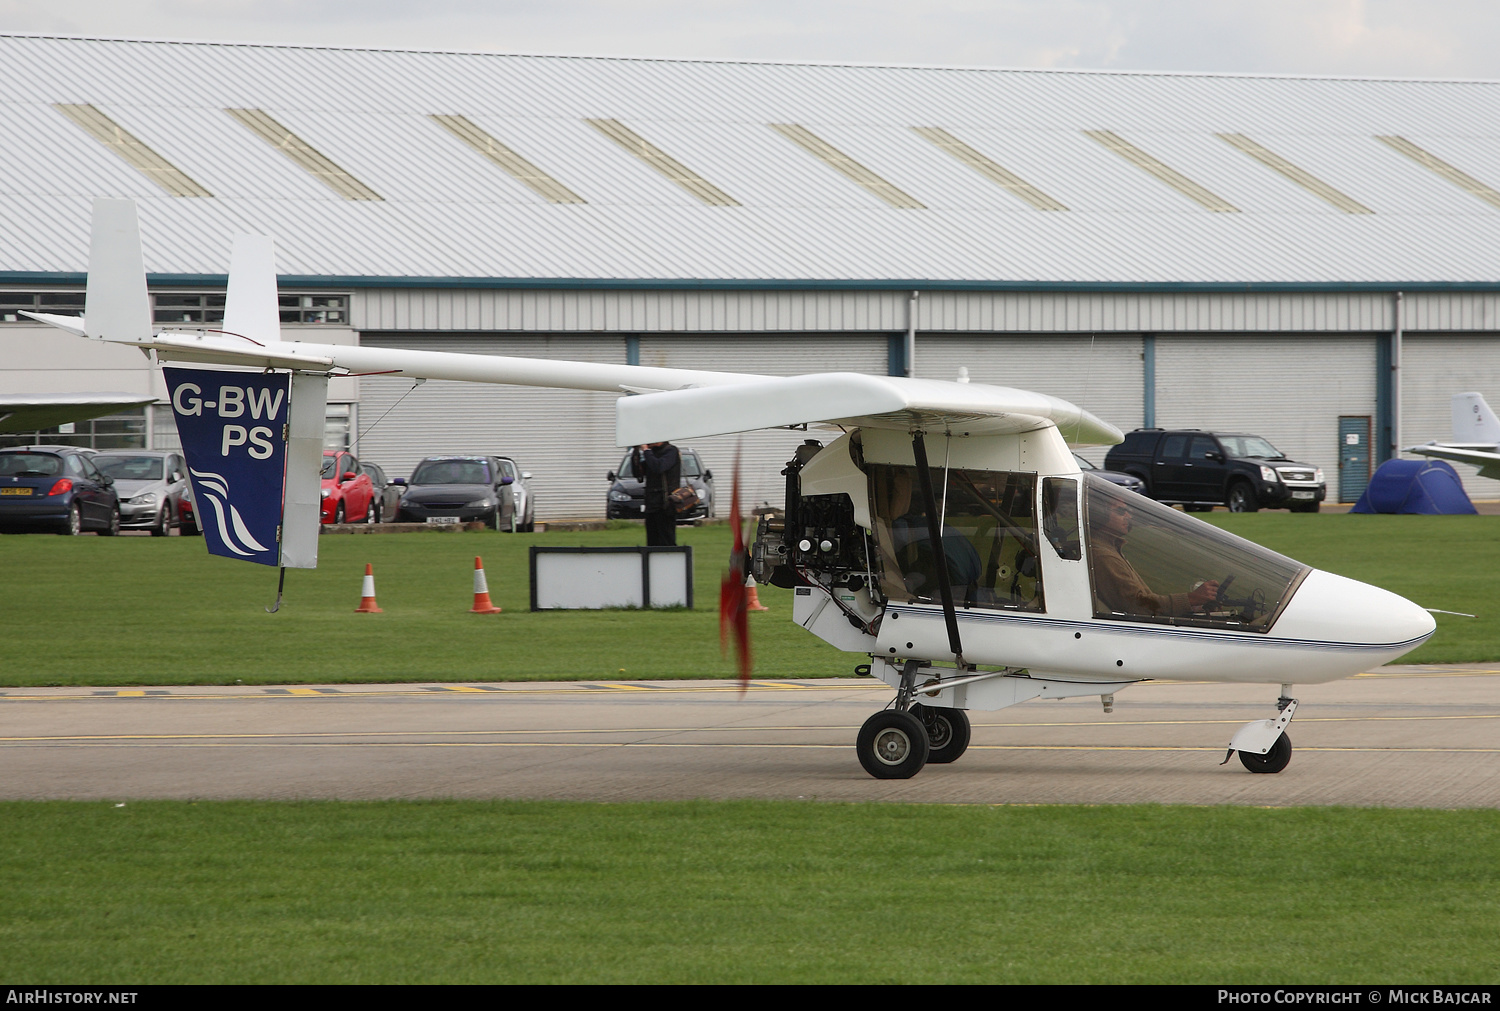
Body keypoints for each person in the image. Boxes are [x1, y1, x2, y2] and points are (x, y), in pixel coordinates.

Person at [1092, 494, 1219, 617]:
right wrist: (1190, 599)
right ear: (1099, 515)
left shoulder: (1110, 548)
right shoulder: (1103, 555)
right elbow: (1138, 606)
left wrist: (1194, 605)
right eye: (1120, 511)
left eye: (1127, 511)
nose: (1128, 516)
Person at [632, 441, 681, 547]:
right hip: (651, 503)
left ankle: (669, 561)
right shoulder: (652, 453)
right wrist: (635, 452)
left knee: (666, 539)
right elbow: (638, 473)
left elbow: (659, 467)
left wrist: (646, 451)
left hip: (665, 503)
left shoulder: (671, 451)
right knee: (652, 540)